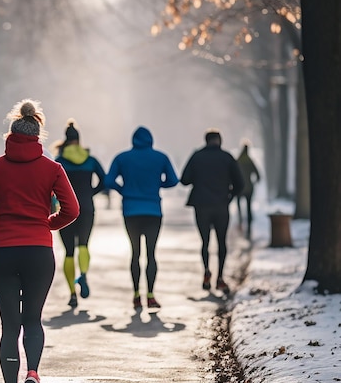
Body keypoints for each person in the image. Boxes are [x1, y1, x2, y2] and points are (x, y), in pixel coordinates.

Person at [0, 99, 79, 383]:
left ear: (10, 136)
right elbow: (71, 210)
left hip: (1, 252)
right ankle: (33, 374)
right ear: (38, 135)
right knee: (33, 320)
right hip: (38, 252)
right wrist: (46, 224)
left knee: (9, 327)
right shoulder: (52, 169)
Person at [105, 126, 179, 311]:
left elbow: (108, 181)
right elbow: (173, 180)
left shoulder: (122, 158)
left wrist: (124, 190)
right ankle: (151, 295)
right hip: (153, 210)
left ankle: (137, 295)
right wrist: (156, 184)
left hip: (131, 211)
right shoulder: (160, 157)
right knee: (151, 255)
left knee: (135, 254)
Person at [180, 129, 244, 293]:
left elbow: (185, 180)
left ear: (206, 140)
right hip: (221, 205)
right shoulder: (227, 158)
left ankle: (206, 271)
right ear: (219, 141)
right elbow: (240, 183)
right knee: (221, 241)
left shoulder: (197, 156)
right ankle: (220, 278)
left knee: (205, 241)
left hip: (201, 206)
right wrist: (229, 196)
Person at [54, 119, 105, 308]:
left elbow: (50, 186)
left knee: (68, 251)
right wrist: (91, 192)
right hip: (86, 207)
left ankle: (72, 293)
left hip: (66, 210)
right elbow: (104, 180)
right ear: (79, 139)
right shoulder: (90, 160)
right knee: (84, 244)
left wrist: (58, 199)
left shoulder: (59, 162)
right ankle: (83, 275)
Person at [236, 141, 261, 239]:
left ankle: (240, 219)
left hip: (239, 187)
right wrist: (255, 181)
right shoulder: (250, 161)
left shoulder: (238, 160)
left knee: (239, 205)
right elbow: (257, 174)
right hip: (249, 188)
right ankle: (249, 222)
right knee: (248, 206)